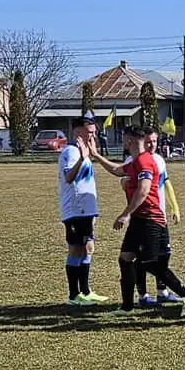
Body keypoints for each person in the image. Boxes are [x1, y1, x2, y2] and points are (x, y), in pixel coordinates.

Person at [93, 124, 185, 314]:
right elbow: (117, 170)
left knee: (149, 263)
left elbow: (144, 190)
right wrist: (96, 155)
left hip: (150, 219)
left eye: (123, 138)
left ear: (129, 140)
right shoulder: (135, 161)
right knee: (125, 259)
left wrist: (125, 214)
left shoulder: (144, 161)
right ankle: (127, 307)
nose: (122, 142)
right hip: (139, 219)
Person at [56, 115, 107, 305]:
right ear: (78, 132)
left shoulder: (82, 151)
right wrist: (83, 158)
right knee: (76, 249)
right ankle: (73, 295)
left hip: (86, 210)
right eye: (90, 132)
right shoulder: (71, 152)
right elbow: (69, 177)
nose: (93, 135)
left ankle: (85, 291)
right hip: (76, 210)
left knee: (88, 247)